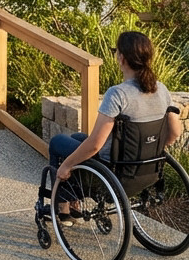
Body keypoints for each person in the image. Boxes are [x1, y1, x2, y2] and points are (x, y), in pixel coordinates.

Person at [48, 31, 180, 223]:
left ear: (121, 58)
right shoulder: (161, 89)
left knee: (57, 142)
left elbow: (95, 144)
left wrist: (66, 165)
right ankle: (74, 203)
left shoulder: (118, 94)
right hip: (148, 169)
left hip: (113, 169)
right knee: (77, 137)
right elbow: (174, 133)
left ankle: (63, 208)